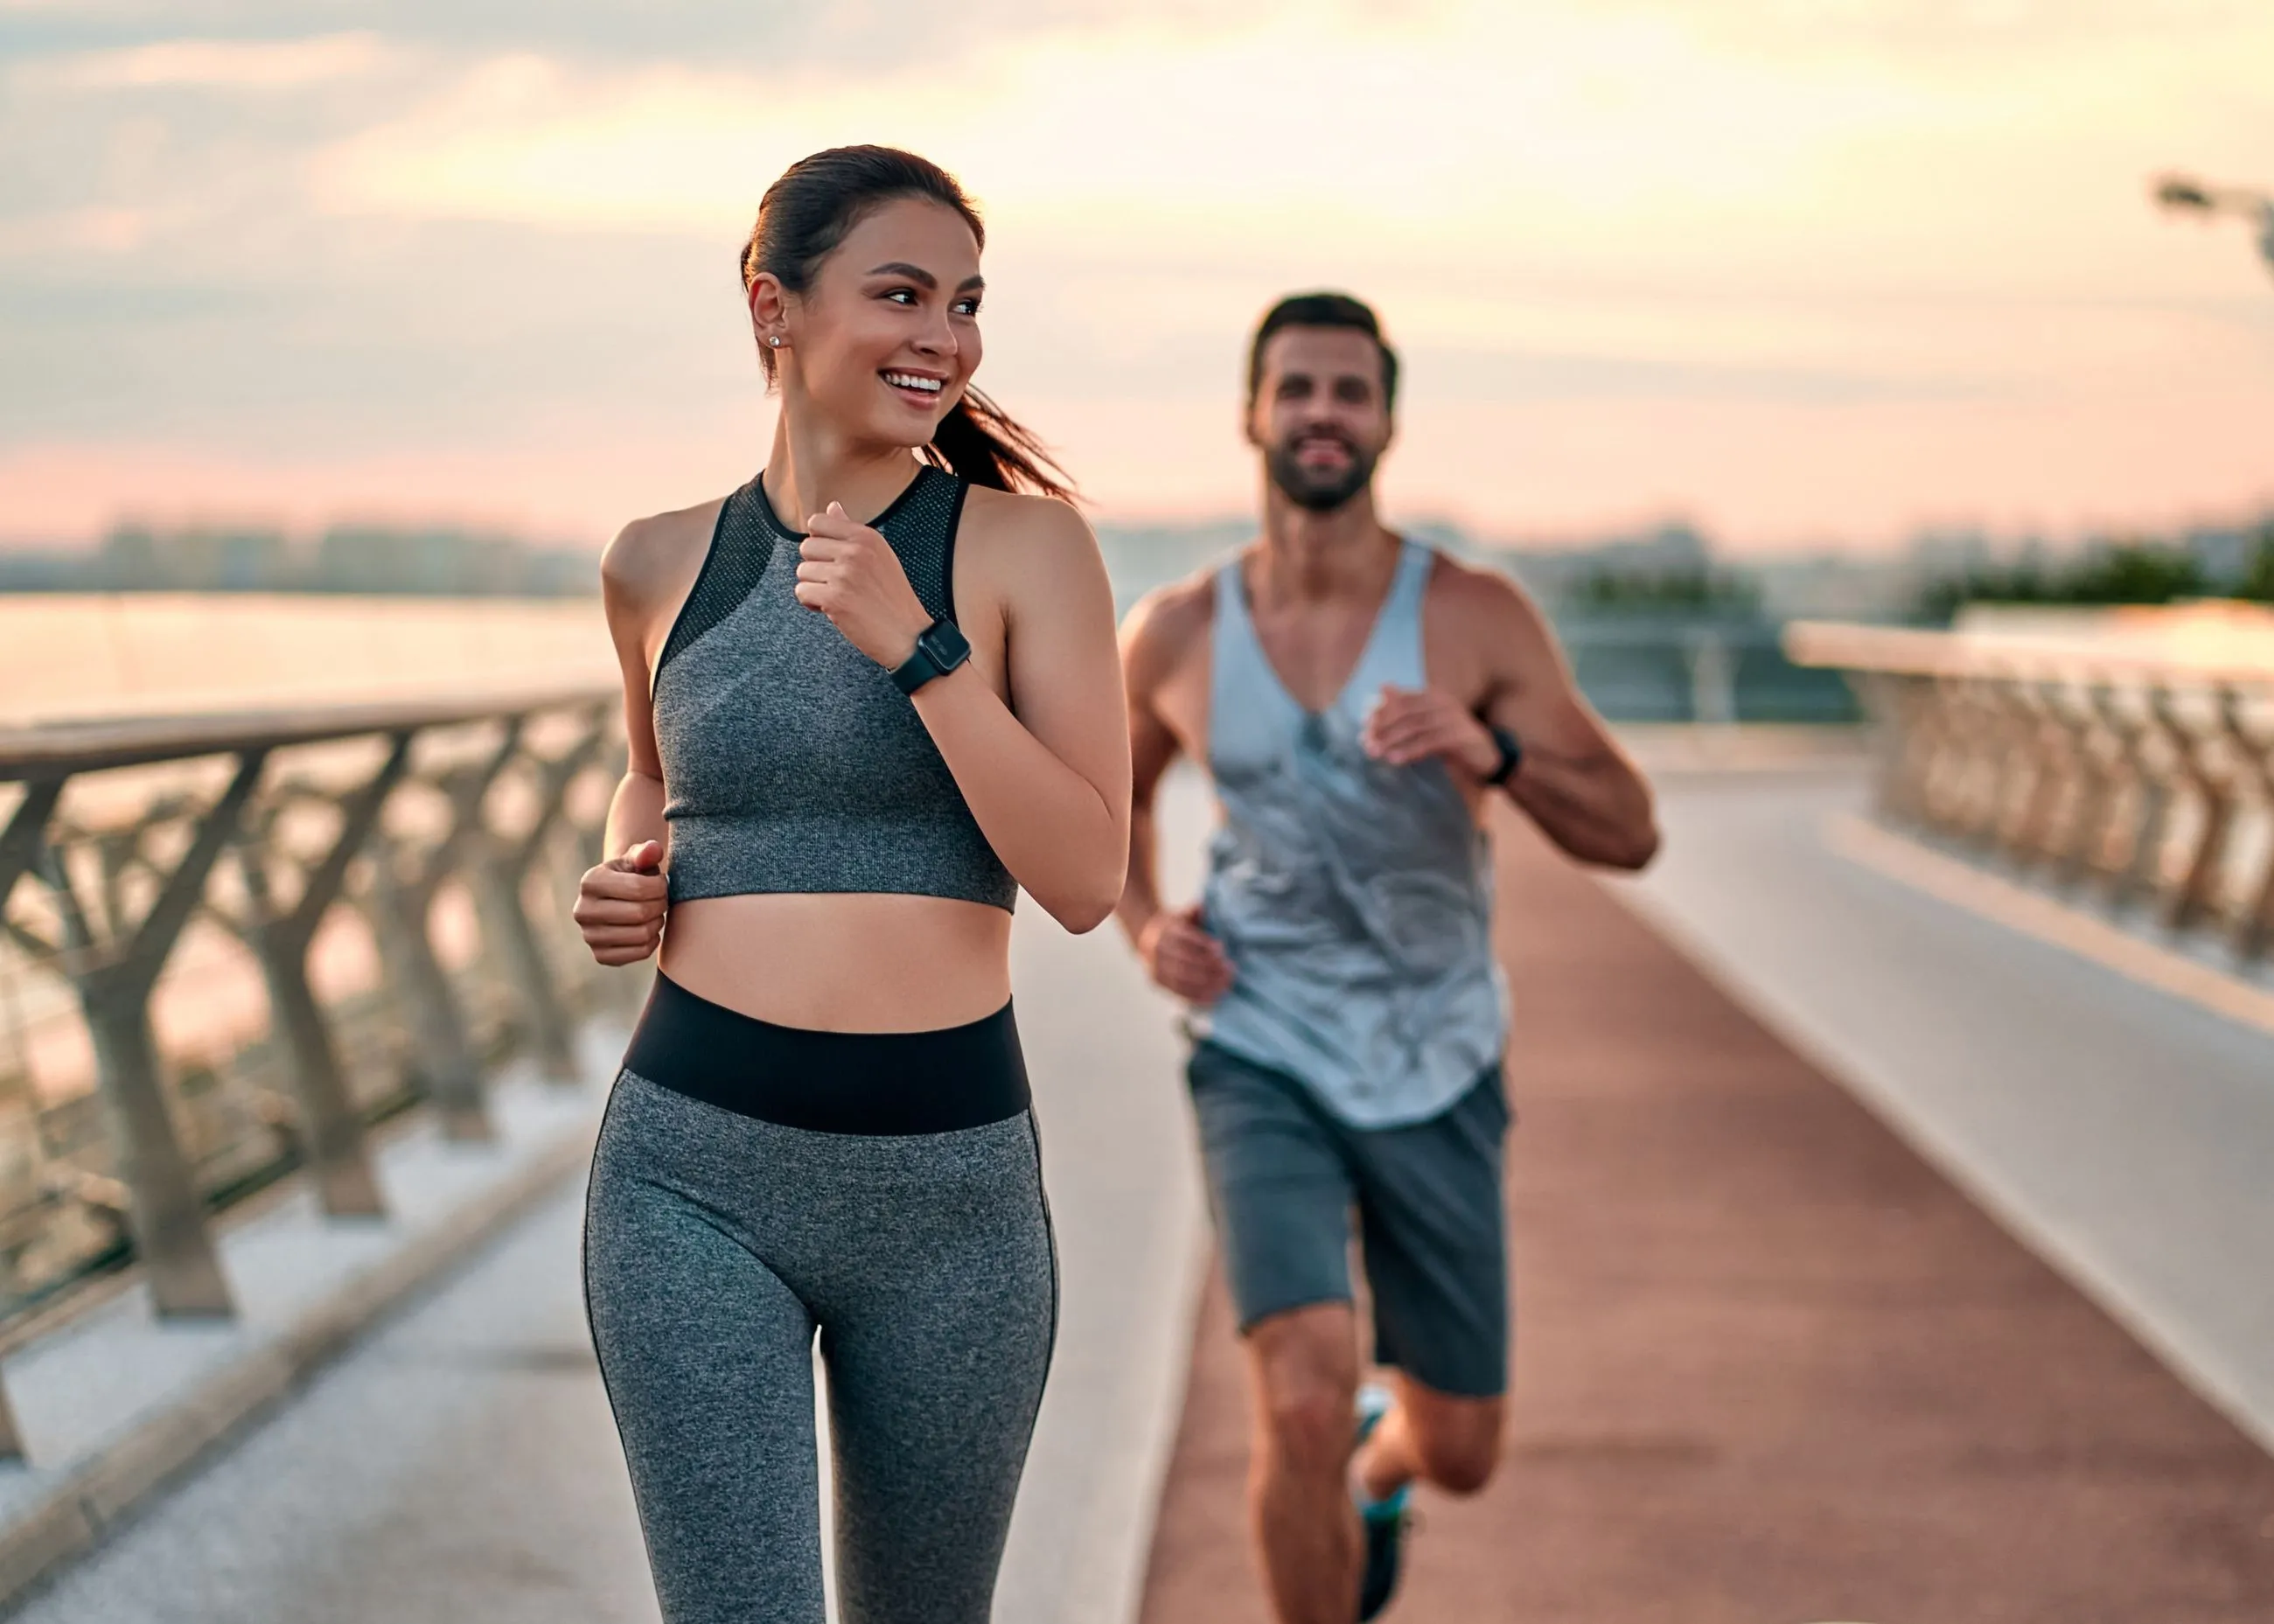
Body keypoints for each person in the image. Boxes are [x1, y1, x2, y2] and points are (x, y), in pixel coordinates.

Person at [571, 145, 1129, 1624]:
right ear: (775, 305)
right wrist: (622, 883)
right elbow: (655, 780)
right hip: (691, 1178)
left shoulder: (1023, 548)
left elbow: (1084, 876)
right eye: (901, 293)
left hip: (951, 1197)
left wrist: (920, 649)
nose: (943, 337)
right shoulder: (653, 560)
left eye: (964, 302)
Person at [1116, 291, 1658, 1622]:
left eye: (1348, 392)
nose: (1321, 414)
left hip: (1438, 1057)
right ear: (1252, 411)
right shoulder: (1179, 631)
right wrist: (1147, 924)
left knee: (1464, 1448)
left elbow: (1631, 832)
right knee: (1293, 1399)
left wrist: (1498, 755)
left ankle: (1386, 1464)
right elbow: (1104, 802)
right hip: (1259, 1048)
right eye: (1296, 388)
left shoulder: (1472, 616)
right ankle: (1334, 1458)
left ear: (1387, 422)